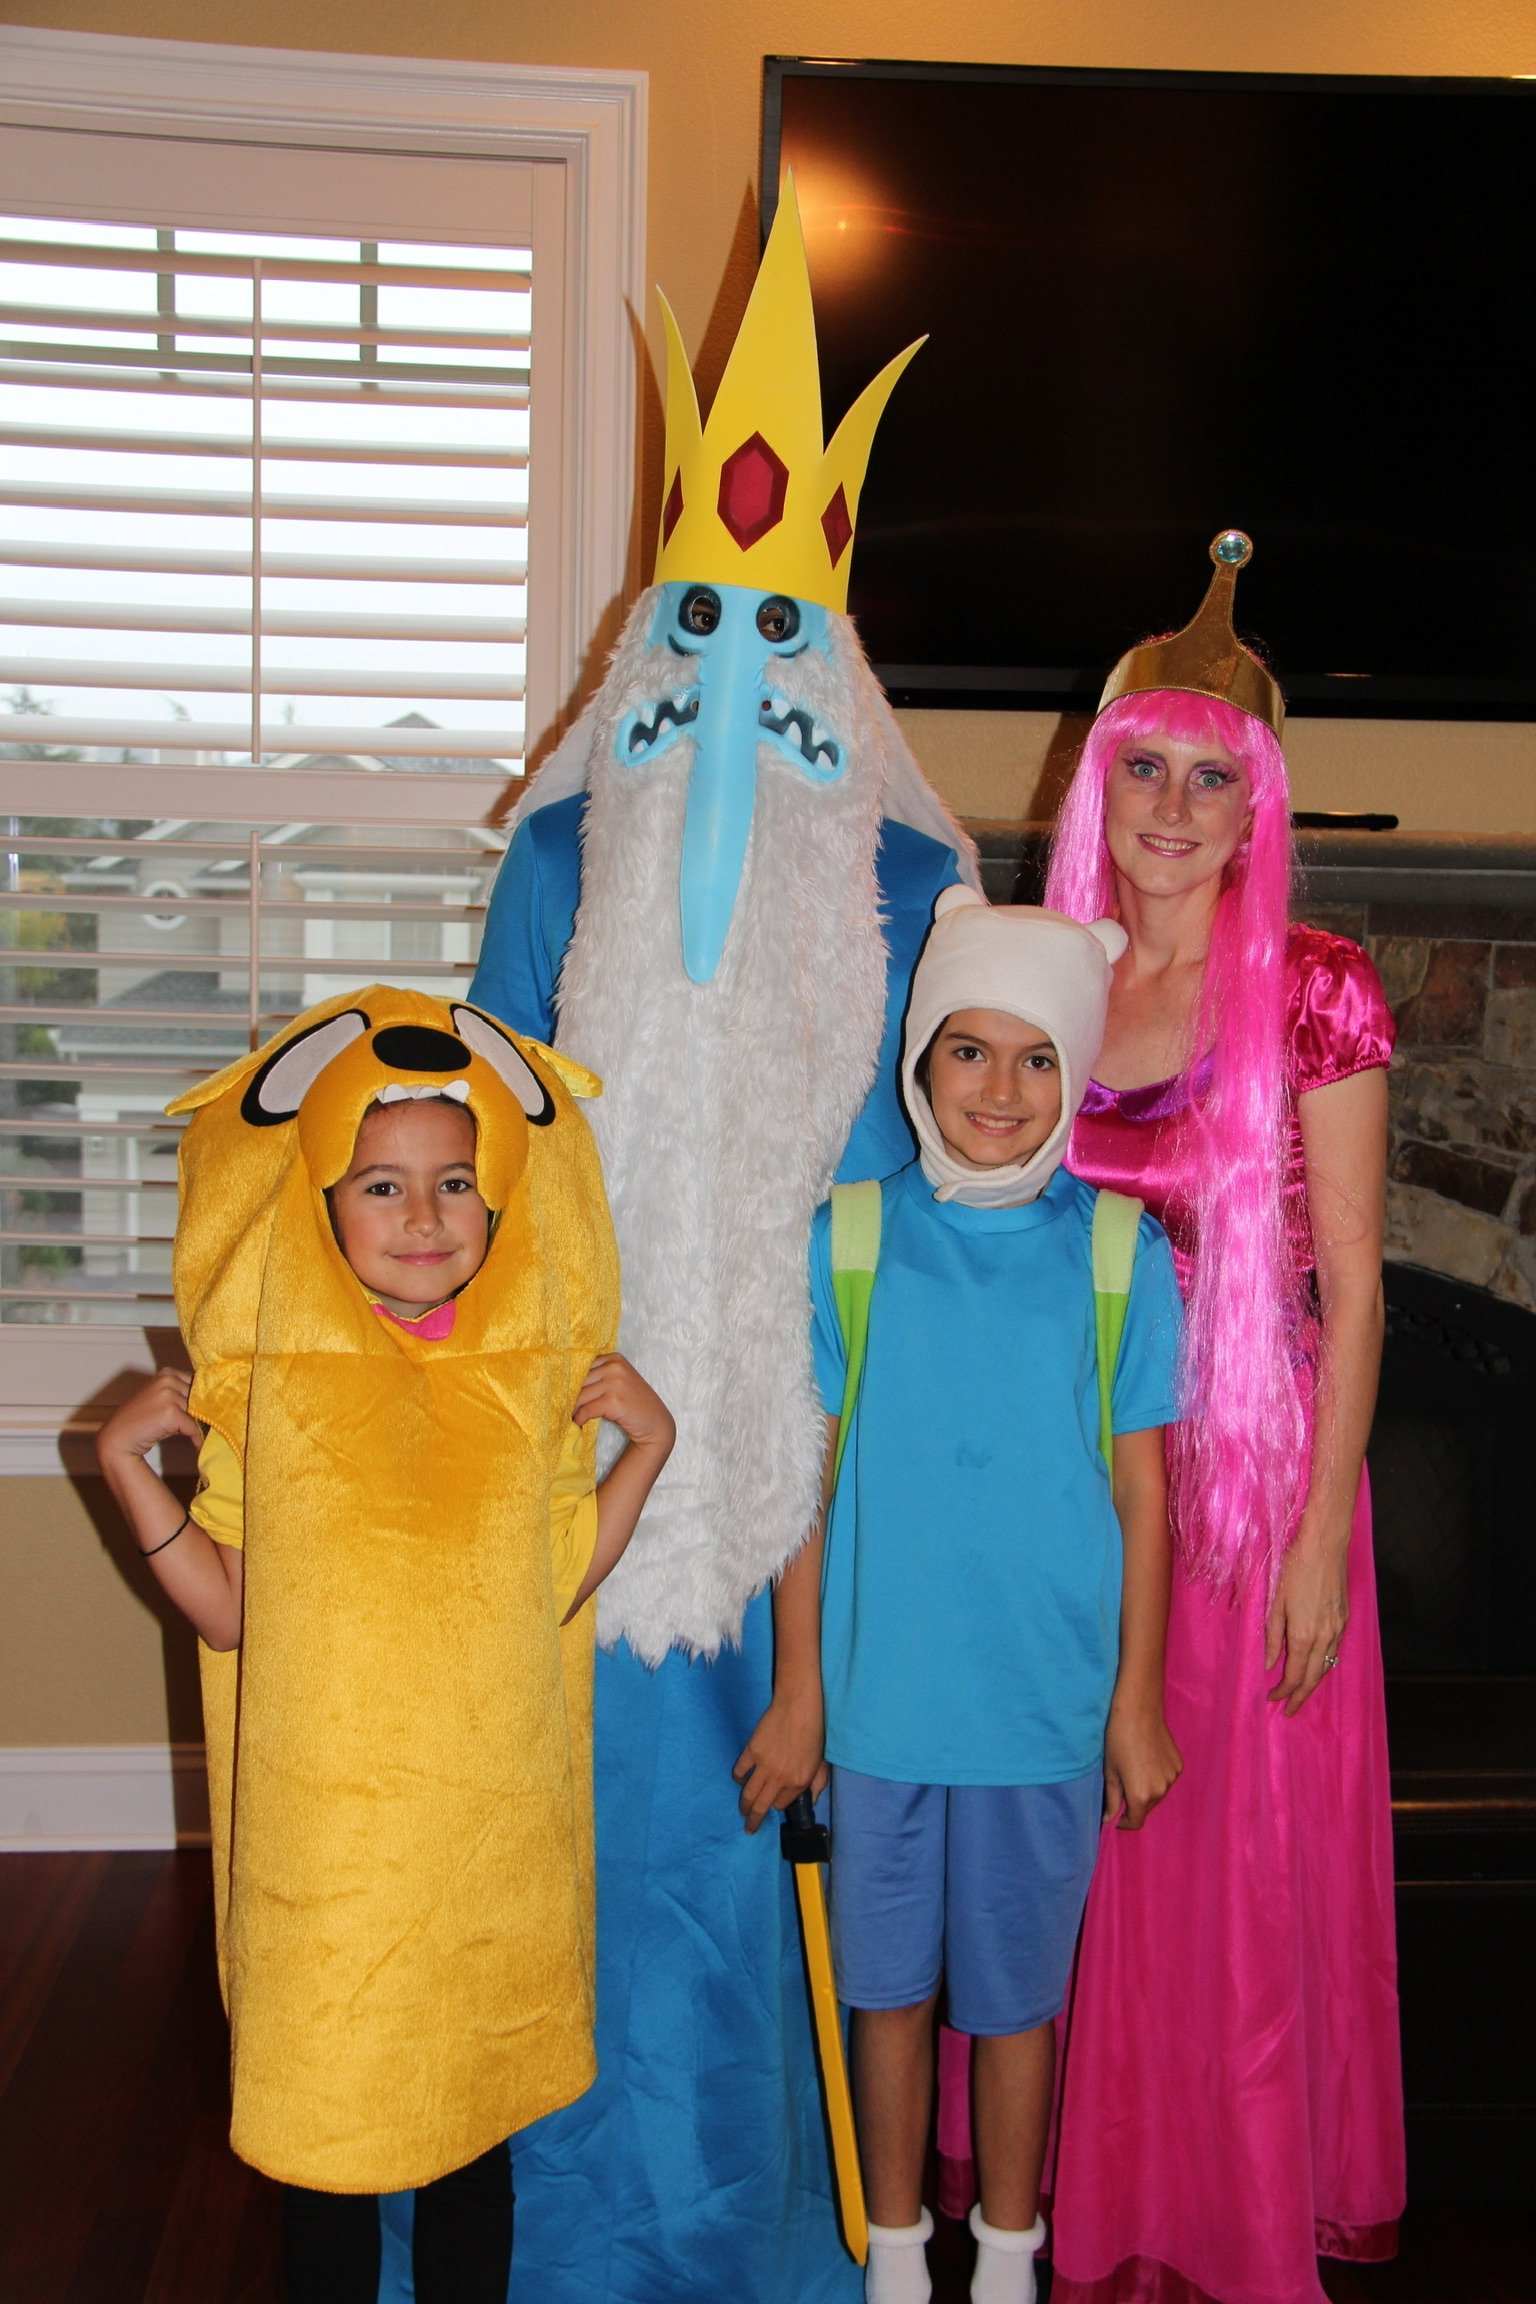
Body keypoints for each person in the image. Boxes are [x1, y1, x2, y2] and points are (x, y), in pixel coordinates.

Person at [460, 184, 975, 2304]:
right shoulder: (565, 856)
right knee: (563, 1876)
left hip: (813, 1491)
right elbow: (468, 1166)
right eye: (704, 636)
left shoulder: (908, 880)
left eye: (790, 644)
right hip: (571, 1473)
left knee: (764, 1899)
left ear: (838, 666)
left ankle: (744, 2256)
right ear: (642, 655)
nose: (739, 689)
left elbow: (942, 1201)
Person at [940, 532, 1406, 2303]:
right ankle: (1064, 2194)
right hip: (1062, 1475)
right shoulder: (1035, 970)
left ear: (1259, 806)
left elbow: (1353, 1282)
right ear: (1097, 776)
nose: (1176, 804)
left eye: (1218, 778)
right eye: (1149, 764)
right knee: (1072, 1848)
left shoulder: (1316, 982)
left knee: (1217, 1879)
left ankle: (1206, 2214)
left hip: (1245, 1489)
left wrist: (1313, 1544)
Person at [94, 988, 674, 2304]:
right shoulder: (275, 1393)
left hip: (479, 1861)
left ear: (502, 1199)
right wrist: (128, 1468)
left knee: (473, 2152)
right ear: (320, 1202)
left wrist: (649, 1451)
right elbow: (236, 1607)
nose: (424, 1217)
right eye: (382, 1185)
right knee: (330, 2162)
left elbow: (557, 1581)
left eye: (457, 1182)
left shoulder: (525, 1381)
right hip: (334, 1877)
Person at [771, 890, 1185, 2304]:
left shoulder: (1124, 1256)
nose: (999, 1091)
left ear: (1075, 1077)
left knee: (1016, 1999)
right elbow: (803, 1490)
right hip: (882, 1707)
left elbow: (1145, 1497)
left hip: (1042, 1712)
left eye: (1035, 1059)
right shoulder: (846, 1239)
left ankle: (1008, 2249)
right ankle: (897, 2246)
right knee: (883, 1991)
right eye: (969, 1051)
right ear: (919, 1059)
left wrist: (1135, 1700)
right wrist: (801, 1689)